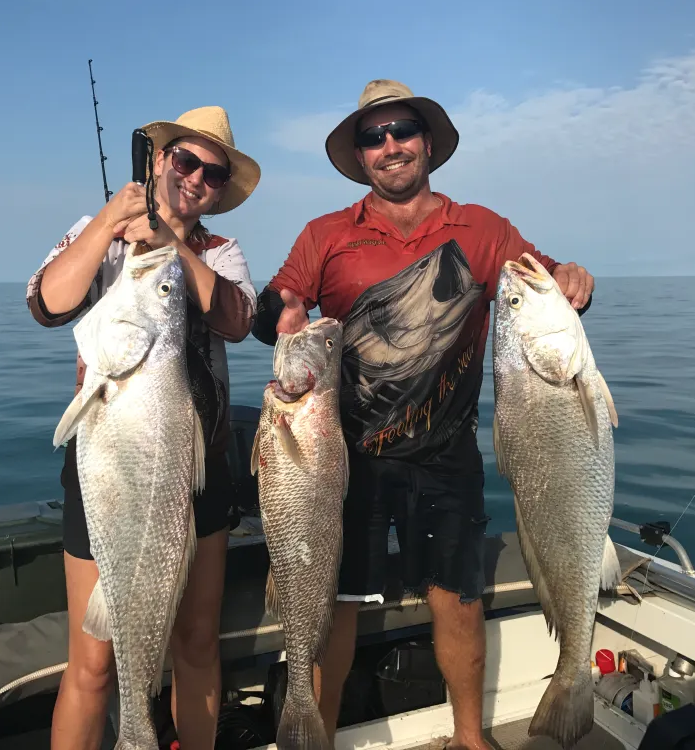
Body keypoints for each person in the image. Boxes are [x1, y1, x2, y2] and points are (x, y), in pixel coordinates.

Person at [250, 79, 594, 749]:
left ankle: (469, 738)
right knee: (336, 606)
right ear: (360, 156)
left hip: (448, 452)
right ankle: (313, 730)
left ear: (427, 142)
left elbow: (546, 284)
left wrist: (574, 278)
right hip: (344, 456)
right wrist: (281, 314)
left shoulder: (483, 230)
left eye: (402, 130)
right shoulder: (327, 236)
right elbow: (274, 307)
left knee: (459, 601)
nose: (390, 146)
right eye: (373, 137)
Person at [26, 106, 262, 750]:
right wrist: (110, 222)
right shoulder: (96, 232)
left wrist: (174, 249)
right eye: (186, 161)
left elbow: (239, 319)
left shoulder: (221, 252)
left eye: (213, 175)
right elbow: (47, 302)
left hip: (198, 469)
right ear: (158, 160)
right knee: (94, 660)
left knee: (195, 641)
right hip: (108, 463)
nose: (196, 179)